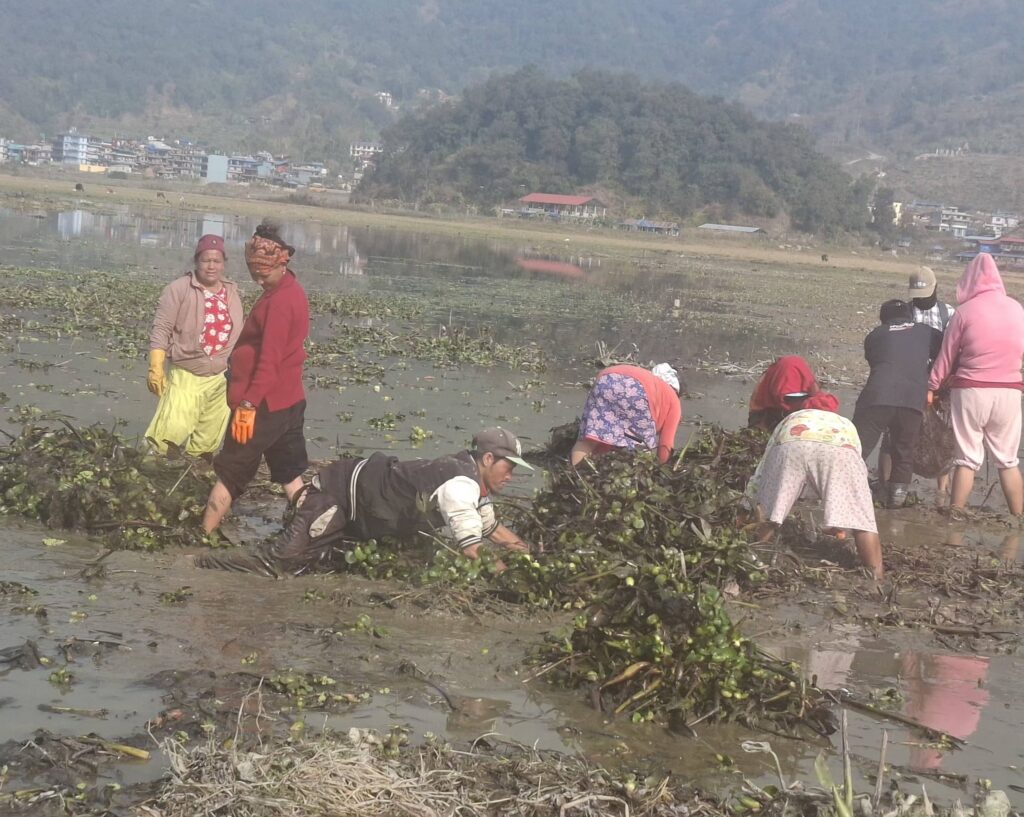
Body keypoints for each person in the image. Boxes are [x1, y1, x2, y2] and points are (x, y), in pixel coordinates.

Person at [191, 427, 534, 577]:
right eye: (509, 468)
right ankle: (200, 563)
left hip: (365, 513)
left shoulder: (472, 481)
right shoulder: (460, 486)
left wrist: (528, 555)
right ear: (488, 459)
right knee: (279, 563)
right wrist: (507, 577)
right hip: (336, 497)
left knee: (320, 564)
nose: (510, 476)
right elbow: (472, 547)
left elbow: (491, 528)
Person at [202, 219, 310, 533]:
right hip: (289, 401)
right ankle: (310, 529)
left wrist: (248, 405)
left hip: (263, 405)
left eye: (264, 274)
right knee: (290, 473)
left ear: (281, 262)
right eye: (255, 274)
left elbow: (269, 362)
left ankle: (203, 536)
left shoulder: (280, 304)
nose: (259, 280)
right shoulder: (290, 288)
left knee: (230, 472)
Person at [927, 252, 1024, 518]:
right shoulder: (1017, 309)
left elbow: (946, 356)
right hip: (1009, 392)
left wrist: (932, 386)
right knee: (1008, 460)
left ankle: (955, 515)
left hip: (970, 391)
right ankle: (1018, 520)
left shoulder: (965, 311)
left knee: (967, 459)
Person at [747, 393, 884, 579]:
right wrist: (841, 520)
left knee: (770, 512)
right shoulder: (845, 424)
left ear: (805, 408)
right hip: (840, 451)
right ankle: (876, 577)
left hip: (792, 445)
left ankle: (753, 561)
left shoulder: (792, 418)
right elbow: (851, 473)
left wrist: (749, 500)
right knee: (862, 521)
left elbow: (763, 467)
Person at [144, 234, 243, 455]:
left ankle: (196, 469)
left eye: (216, 261)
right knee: (167, 434)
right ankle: (150, 467)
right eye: (206, 260)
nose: (211, 266)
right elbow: (161, 328)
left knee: (207, 440)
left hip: (221, 378)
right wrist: (156, 366)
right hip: (187, 374)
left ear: (223, 263)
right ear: (196, 261)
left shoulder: (231, 292)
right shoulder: (179, 289)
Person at [853, 299, 942, 508]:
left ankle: (845, 492)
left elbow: (875, 361)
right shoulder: (927, 332)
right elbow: (945, 354)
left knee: (856, 448)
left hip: (877, 397)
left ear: (883, 319)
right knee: (904, 452)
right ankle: (896, 504)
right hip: (912, 400)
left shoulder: (876, 335)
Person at [569, 363, 682, 467]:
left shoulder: (650, 379)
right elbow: (665, 445)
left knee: (589, 439)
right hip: (637, 390)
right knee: (641, 450)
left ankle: (575, 474)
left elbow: (612, 433)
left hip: (605, 378)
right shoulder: (674, 400)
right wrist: (662, 468)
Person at [747, 355, 822, 431]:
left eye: (798, 398)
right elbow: (755, 419)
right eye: (789, 399)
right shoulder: (765, 392)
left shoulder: (816, 401)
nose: (791, 405)